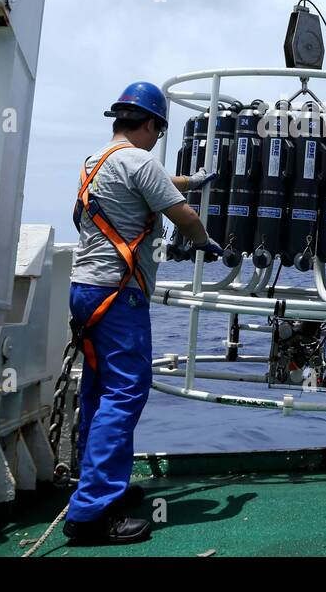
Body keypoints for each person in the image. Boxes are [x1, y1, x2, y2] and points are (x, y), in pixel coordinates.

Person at [64, 81, 222, 545]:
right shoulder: (140, 159)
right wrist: (203, 241)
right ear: (150, 124)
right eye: (158, 130)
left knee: (97, 391)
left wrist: (191, 179)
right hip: (119, 296)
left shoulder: (96, 162)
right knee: (125, 394)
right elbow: (184, 216)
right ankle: (92, 513)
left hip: (85, 290)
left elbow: (148, 182)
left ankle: (95, 486)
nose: (156, 139)